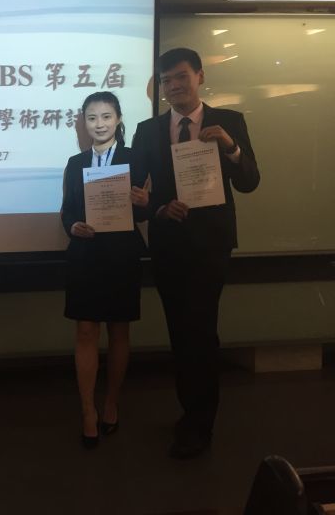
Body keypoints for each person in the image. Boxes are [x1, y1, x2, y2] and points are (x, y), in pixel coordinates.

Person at [131, 48, 260, 459]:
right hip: (169, 244)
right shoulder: (148, 130)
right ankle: (193, 412)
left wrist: (230, 148)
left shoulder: (229, 122)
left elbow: (250, 182)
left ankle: (199, 423)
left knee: (201, 330)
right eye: (165, 80)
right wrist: (157, 208)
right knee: (180, 332)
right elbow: (133, 193)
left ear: (199, 76)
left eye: (180, 77)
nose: (173, 86)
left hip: (211, 245)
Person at [61, 91, 149, 449]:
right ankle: (87, 411)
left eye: (106, 117)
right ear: (84, 123)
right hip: (86, 255)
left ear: (118, 119)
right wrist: (73, 227)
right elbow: (67, 211)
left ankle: (111, 402)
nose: (99, 124)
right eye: (92, 118)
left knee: (119, 332)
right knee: (85, 331)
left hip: (122, 256)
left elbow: (143, 212)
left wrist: (144, 203)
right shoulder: (75, 162)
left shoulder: (135, 158)